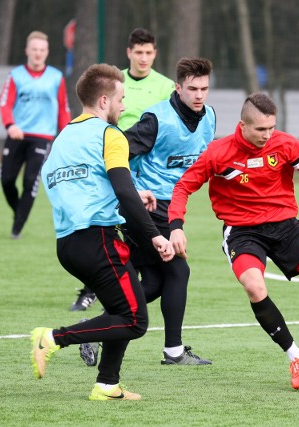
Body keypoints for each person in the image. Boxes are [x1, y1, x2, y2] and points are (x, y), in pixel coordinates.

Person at [167, 93, 299, 390]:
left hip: (286, 229)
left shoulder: (285, 144)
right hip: (243, 233)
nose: (267, 135)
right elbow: (183, 188)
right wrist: (176, 226)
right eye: (260, 129)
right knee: (255, 287)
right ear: (242, 125)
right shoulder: (218, 153)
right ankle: (296, 357)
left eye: (271, 127)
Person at [30, 63, 175, 401]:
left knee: (119, 310)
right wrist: (154, 235)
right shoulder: (110, 135)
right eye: (122, 100)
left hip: (68, 244)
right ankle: (51, 338)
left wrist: (132, 194)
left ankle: (107, 384)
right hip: (98, 239)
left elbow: (82, 186)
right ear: (105, 100)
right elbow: (123, 191)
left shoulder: (63, 139)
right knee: (135, 320)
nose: (124, 107)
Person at [79, 57, 216, 367]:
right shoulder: (156, 119)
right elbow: (117, 152)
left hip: (172, 208)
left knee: (155, 282)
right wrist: (134, 193)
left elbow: (206, 162)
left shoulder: (209, 118)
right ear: (177, 87)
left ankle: (94, 332)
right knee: (179, 271)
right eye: (192, 88)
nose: (198, 95)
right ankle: (174, 352)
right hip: (147, 208)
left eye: (204, 88)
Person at [70, 27, 175, 311]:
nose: (143, 58)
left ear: (155, 53)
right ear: (129, 53)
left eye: (148, 52)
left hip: (147, 177)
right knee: (107, 231)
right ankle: (94, 291)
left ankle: (105, 302)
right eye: (138, 52)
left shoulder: (165, 87)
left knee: (132, 244)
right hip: (114, 168)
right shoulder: (114, 82)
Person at [0, 30, 70, 239]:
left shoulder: (56, 77)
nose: (38, 54)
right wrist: (10, 125)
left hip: (43, 137)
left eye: (42, 50)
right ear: (27, 51)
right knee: (6, 180)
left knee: (31, 180)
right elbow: (5, 103)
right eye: (34, 49)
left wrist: (66, 134)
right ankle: (19, 211)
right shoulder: (15, 75)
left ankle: (16, 229)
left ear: (47, 52)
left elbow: (63, 109)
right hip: (17, 134)